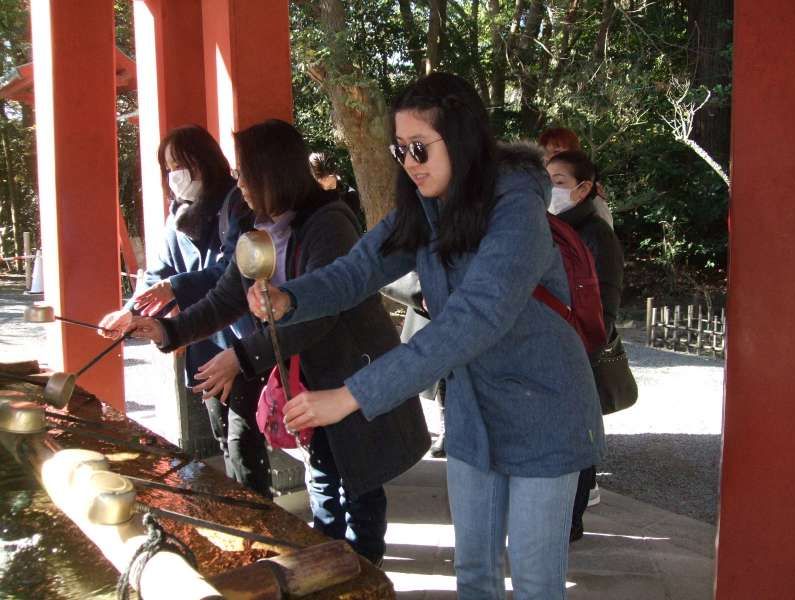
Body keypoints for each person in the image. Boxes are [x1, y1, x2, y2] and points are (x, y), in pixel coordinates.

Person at [251, 73, 605, 599]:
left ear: (460, 138)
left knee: (534, 582)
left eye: (420, 147)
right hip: (474, 413)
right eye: (401, 150)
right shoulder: (422, 208)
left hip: (543, 410)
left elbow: (474, 318)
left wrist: (352, 395)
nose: (410, 163)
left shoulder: (517, 208)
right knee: (474, 574)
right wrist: (290, 298)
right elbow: (356, 270)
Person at [127, 119, 430, 566]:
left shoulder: (329, 225)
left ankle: (363, 574)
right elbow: (226, 295)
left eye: (245, 173)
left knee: (359, 484)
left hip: (350, 372)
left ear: (272, 172)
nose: (239, 182)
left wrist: (241, 356)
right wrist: (169, 331)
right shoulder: (258, 227)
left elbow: (320, 316)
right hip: (307, 377)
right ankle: (328, 565)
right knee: (324, 478)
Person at [98, 124, 271, 497]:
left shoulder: (237, 203)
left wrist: (175, 287)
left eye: (181, 164)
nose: (174, 174)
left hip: (240, 341)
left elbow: (230, 272)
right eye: (168, 166)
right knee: (224, 439)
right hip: (202, 343)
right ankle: (248, 521)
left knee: (245, 445)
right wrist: (130, 313)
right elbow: (157, 277)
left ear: (204, 161)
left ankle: (263, 525)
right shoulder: (177, 216)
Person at [546, 150, 624, 542]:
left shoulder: (596, 235)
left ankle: (569, 523)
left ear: (584, 189)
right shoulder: (549, 228)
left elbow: (602, 313)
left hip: (577, 360)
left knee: (575, 446)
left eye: (558, 182)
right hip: (552, 359)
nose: (550, 190)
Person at [380, 272, 447, 457]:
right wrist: (422, 291)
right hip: (429, 307)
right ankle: (447, 428)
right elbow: (386, 267)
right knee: (443, 376)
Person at [538, 126, 614, 230]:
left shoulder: (593, 198)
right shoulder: (539, 193)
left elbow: (606, 237)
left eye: (556, 152)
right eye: (545, 153)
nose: (549, 158)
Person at [308, 151, 367, 232]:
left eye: (331, 187)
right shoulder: (307, 203)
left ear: (335, 176)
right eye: (322, 189)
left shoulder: (350, 196)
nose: (329, 195)